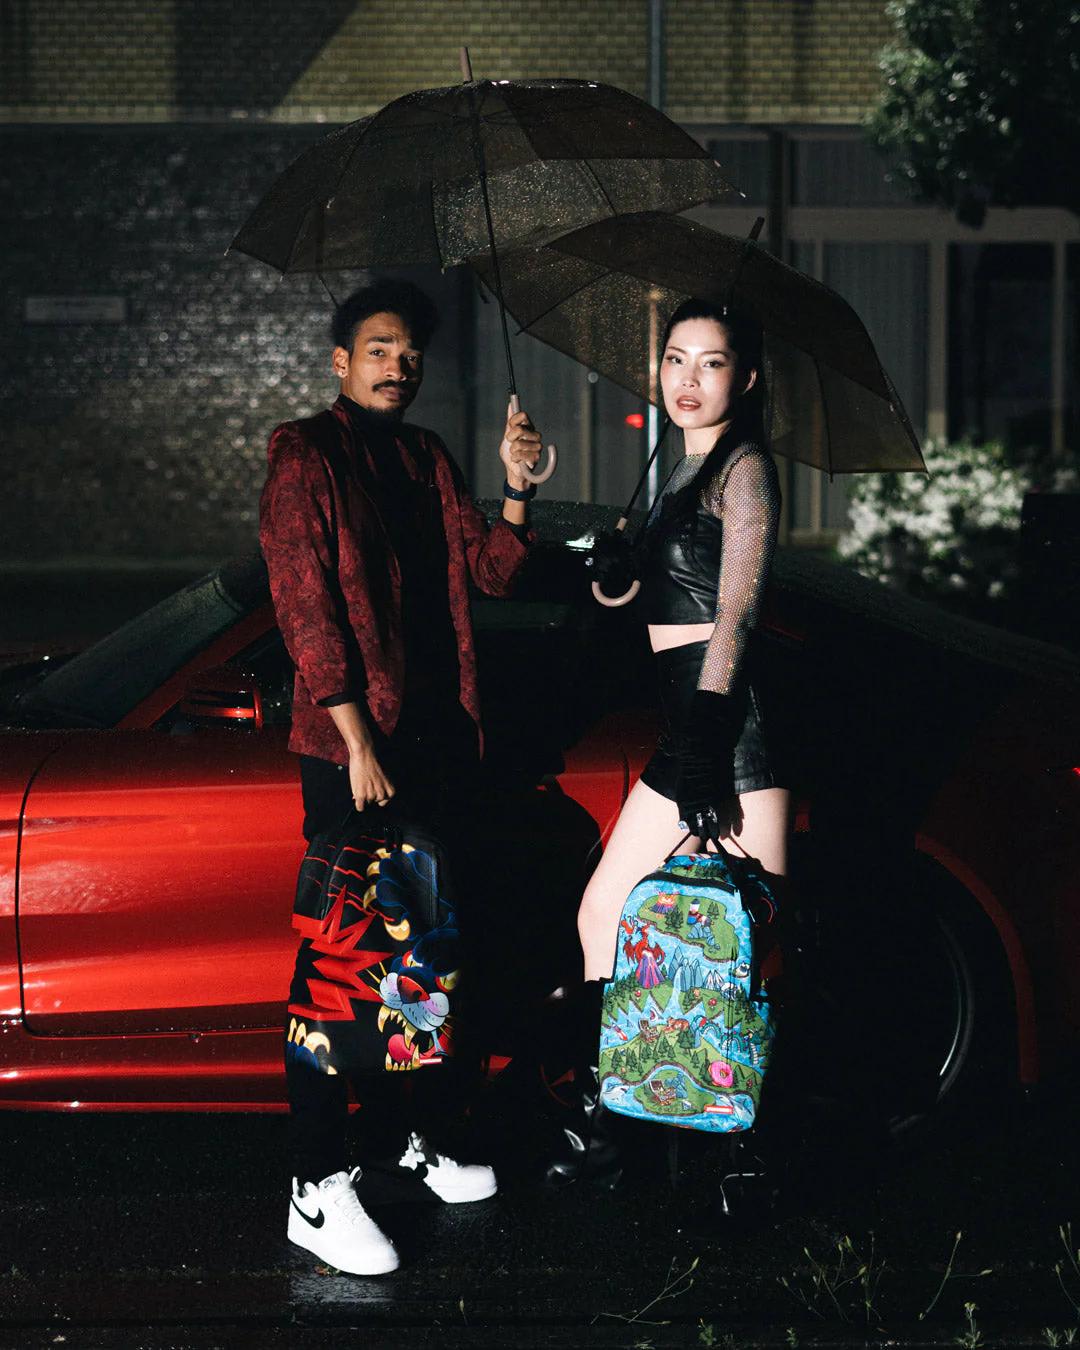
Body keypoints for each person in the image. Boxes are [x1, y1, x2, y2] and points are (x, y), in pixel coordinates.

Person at [259, 278, 542, 1274]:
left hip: (430, 745)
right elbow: (303, 605)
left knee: (419, 964)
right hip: (354, 753)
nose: (399, 364)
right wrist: (355, 741)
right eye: (379, 349)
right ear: (342, 362)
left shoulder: (425, 457)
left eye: (410, 352)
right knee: (339, 969)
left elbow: (495, 571)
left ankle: (408, 1139)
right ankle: (313, 1183)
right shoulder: (307, 454)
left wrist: (517, 485)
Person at [545, 297, 788, 1186]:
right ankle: (615, 1125)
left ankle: (745, 1155)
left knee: (747, 946)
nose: (689, 379)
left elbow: (737, 613)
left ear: (745, 378)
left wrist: (708, 739)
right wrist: (611, 574)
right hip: (687, 724)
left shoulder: (745, 470)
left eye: (711, 362)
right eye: (676, 359)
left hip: (732, 729)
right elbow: (653, 603)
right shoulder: (679, 472)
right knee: (605, 912)